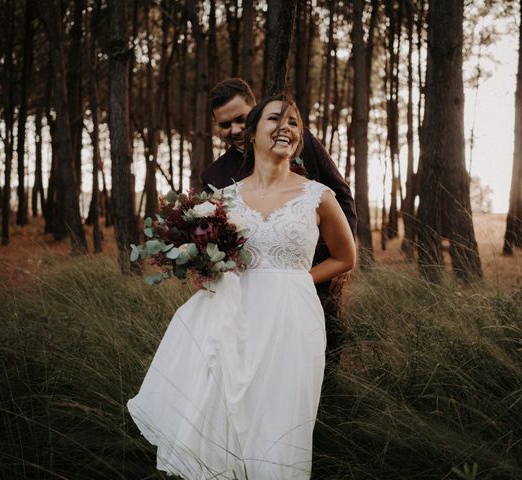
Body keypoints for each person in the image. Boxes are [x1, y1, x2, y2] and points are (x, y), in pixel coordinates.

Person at [128, 93, 357, 479]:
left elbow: (345, 257)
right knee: (227, 413)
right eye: (274, 120)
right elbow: (210, 255)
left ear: (300, 139)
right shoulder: (223, 200)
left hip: (292, 318)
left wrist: (300, 280)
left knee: (281, 418)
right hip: (232, 317)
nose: (285, 127)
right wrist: (202, 267)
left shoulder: (318, 196)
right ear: (251, 134)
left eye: (293, 123)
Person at [202, 78, 357, 369]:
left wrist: (328, 257)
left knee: (317, 348)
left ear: (255, 113)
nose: (234, 130)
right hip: (248, 291)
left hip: (311, 268)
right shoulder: (216, 177)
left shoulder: (301, 139)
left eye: (241, 119)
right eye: (224, 125)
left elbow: (341, 195)